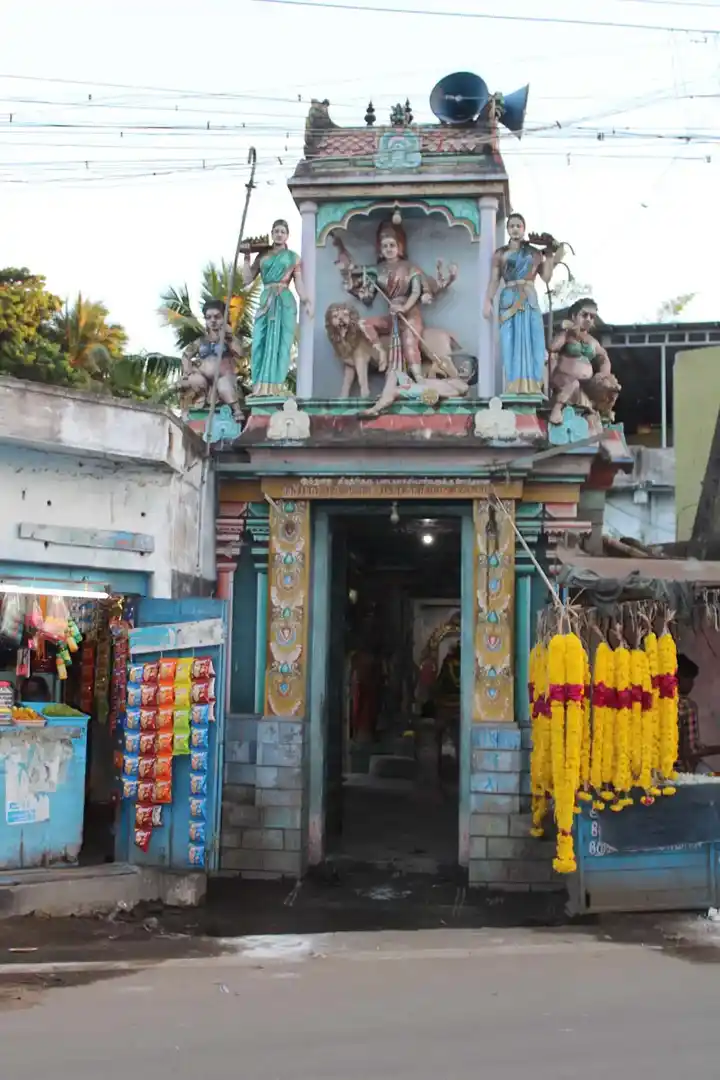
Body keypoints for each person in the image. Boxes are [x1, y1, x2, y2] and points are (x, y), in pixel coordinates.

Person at [483, 213, 562, 395]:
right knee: (509, 342)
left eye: (518, 226)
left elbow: (546, 277)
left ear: (524, 229)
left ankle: (533, 386)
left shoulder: (534, 253)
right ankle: (512, 385)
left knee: (534, 341)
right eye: (511, 226)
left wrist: (550, 253)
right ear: (507, 229)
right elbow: (494, 280)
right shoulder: (500, 254)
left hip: (529, 299)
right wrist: (488, 300)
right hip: (509, 299)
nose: (515, 229)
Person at [243, 219, 311, 396]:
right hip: (266, 300)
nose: (279, 234)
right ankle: (258, 387)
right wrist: (246, 256)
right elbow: (246, 280)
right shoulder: (263, 256)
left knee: (283, 343)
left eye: (283, 232)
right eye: (276, 231)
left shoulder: (293, 257)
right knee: (259, 342)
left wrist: (306, 301)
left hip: (284, 300)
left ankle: (276, 387)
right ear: (272, 233)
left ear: (287, 235)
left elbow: (299, 283)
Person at [547, 297, 620, 425]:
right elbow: (552, 347)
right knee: (573, 384)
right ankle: (557, 410)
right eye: (584, 315)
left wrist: (604, 374)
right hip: (563, 378)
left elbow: (604, 358)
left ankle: (605, 414)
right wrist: (568, 333)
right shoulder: (566, 335)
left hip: (586, 384)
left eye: (592, 317)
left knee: (611, 387)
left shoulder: (592, 341)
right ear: (574, 316)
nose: (588, 319)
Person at [180, 300, 245, 421]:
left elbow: (240, 354)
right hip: (204, 379)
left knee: (224, 386)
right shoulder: (201, 341)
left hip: (224, 376)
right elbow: (186, 355)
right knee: (194, 379)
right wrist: (187, 371)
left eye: (217, 317)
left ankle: (237, 410)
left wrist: (229, 338)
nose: (213, 320)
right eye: (208, 317)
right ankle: (201, 398)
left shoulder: (228, 339)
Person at [676, 653, 720, 773]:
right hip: (682, 771)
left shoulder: (652, 702)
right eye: (690, 679)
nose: (692, 684)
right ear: (678, 678)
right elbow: (691, 751)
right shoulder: (687, 706)